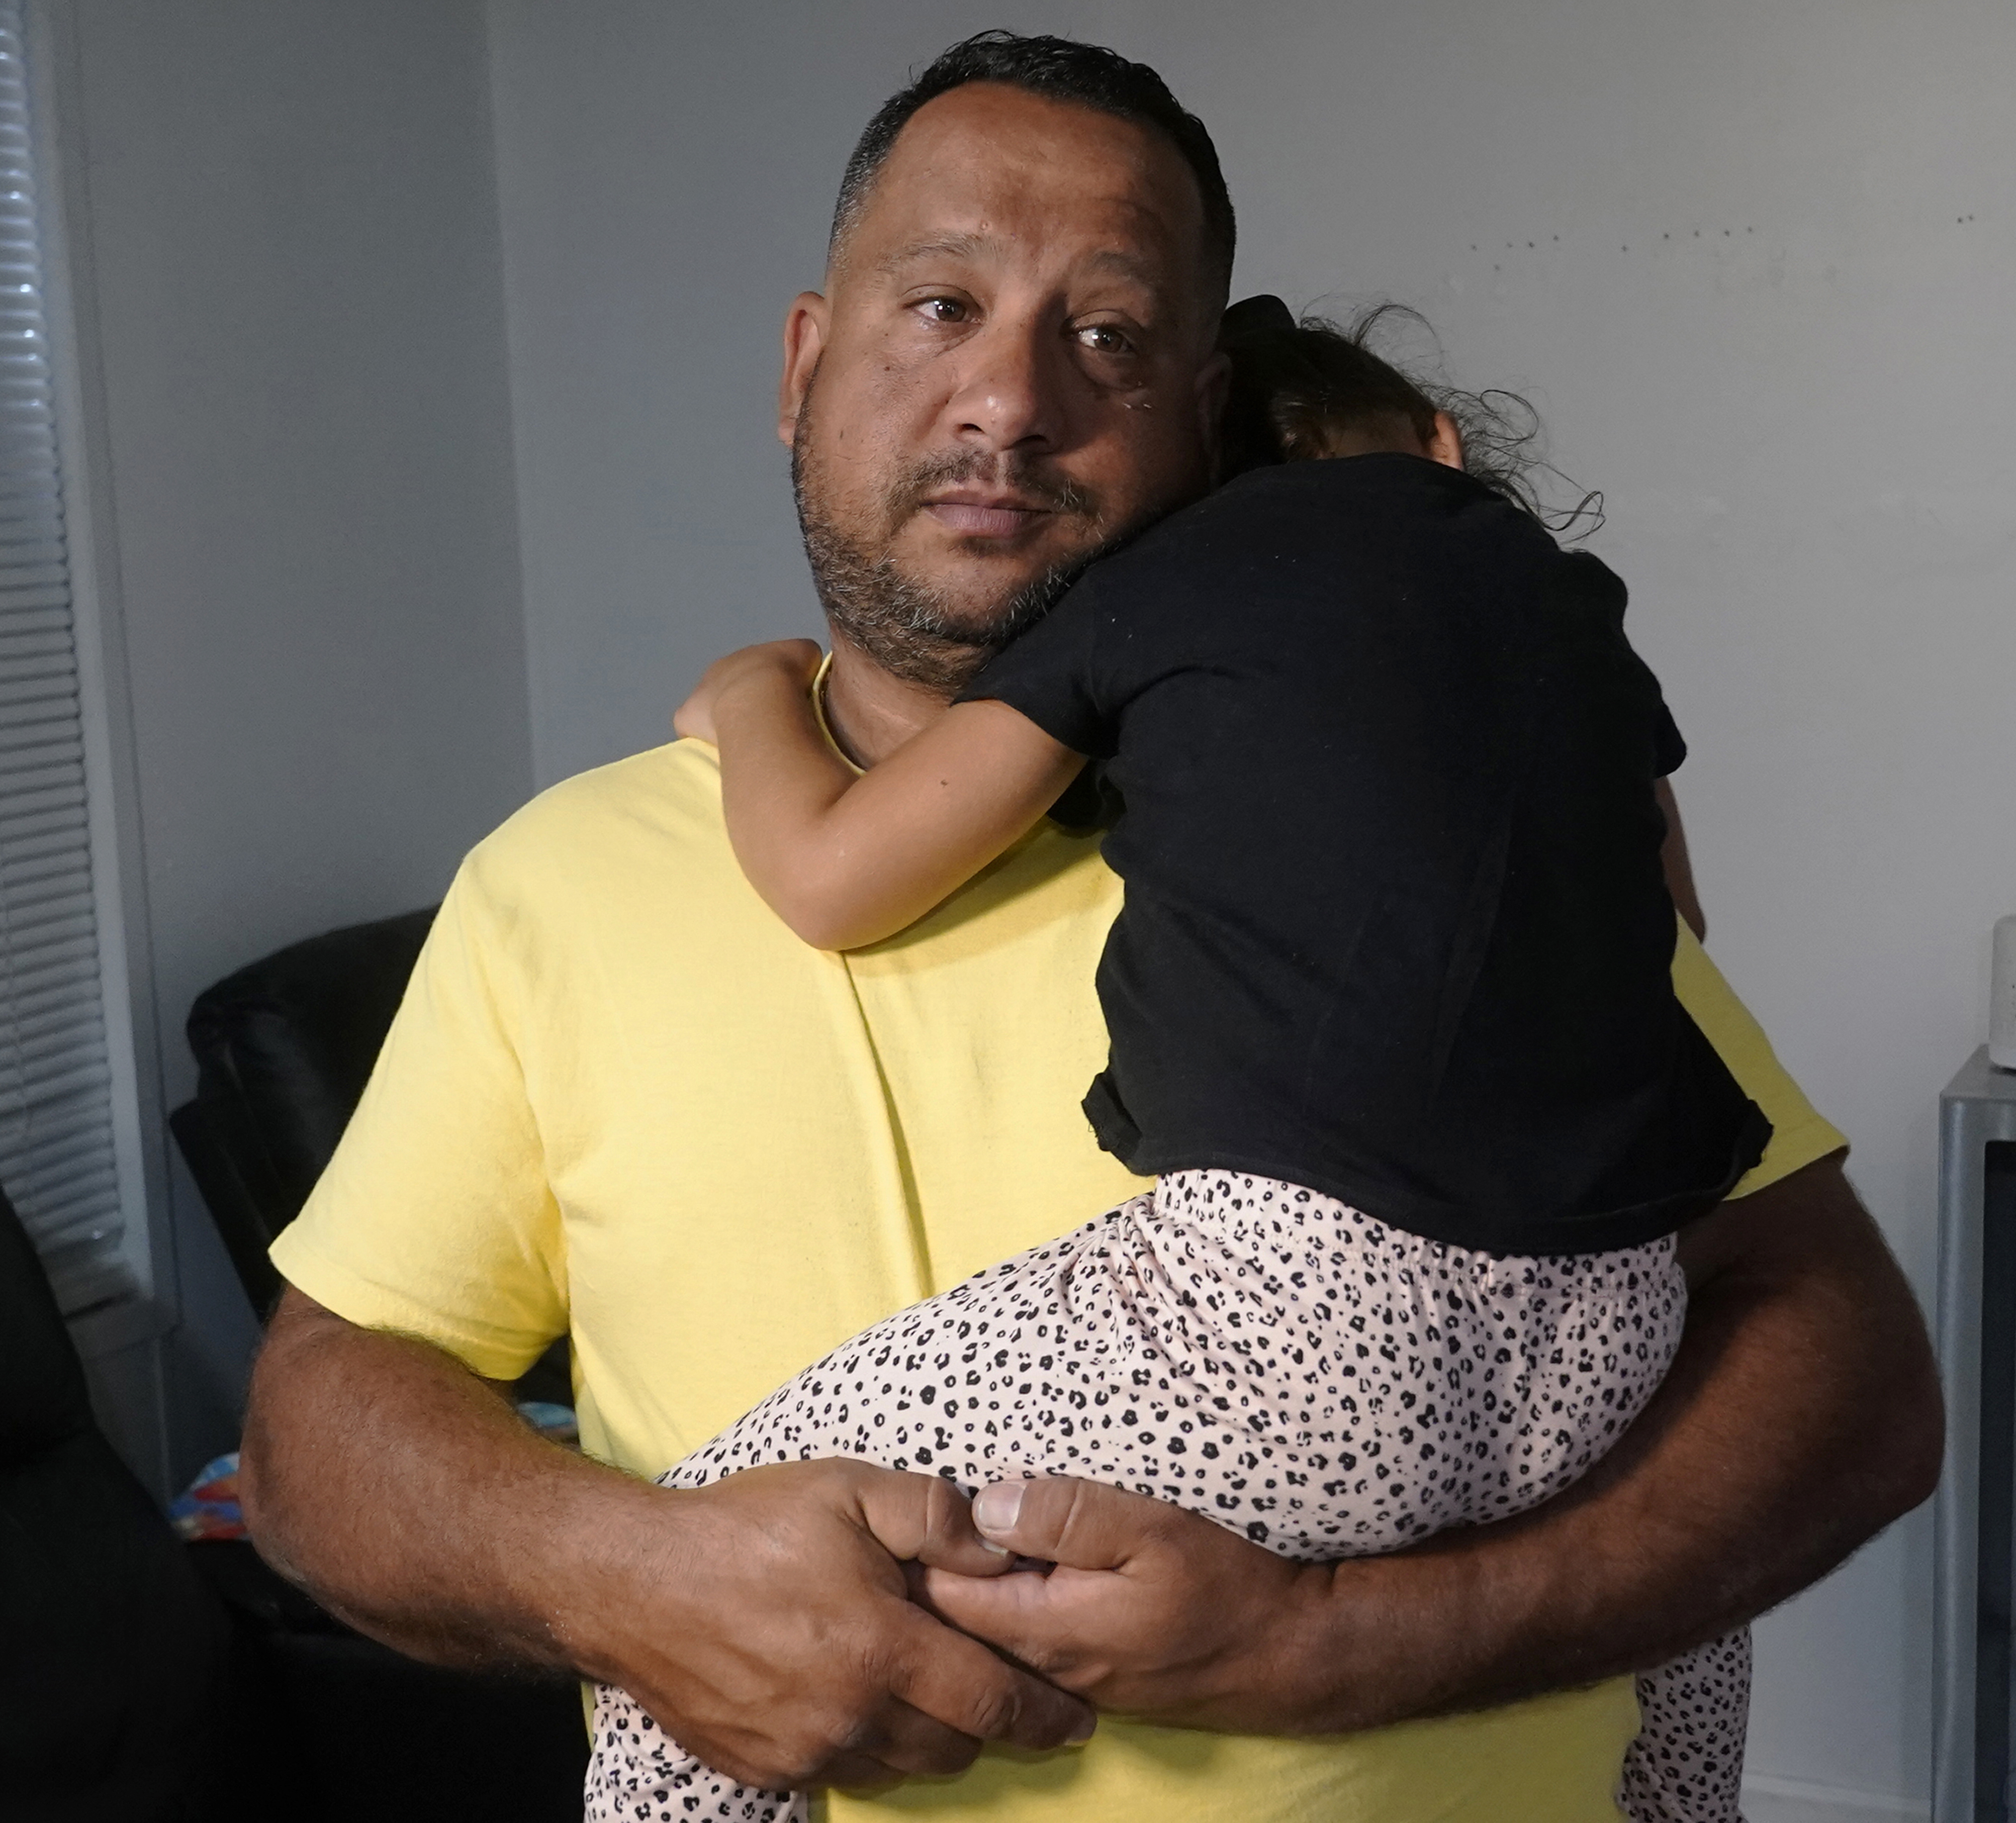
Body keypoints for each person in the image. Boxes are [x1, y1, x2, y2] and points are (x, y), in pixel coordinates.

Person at [239, 32, 1942, 1823]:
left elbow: (1844, 1377)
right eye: (939, 304)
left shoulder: (1436, 811)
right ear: (804, 365)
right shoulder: (553, 886)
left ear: (1210, 415)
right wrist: (638, 1578)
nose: (1008, 399)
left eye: (1107, 334)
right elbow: (318, 1434)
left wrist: (1344, 1644)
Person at [585, 305, 1771, 1823]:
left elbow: (833, 880)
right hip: (1617, 1344)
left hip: (1307, 1341)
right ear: (1442, 448)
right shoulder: (1568, 604)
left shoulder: (1166, 583)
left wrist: (748, 694)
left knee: (695, 1581)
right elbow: (1670, 922)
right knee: (1684, 1608)